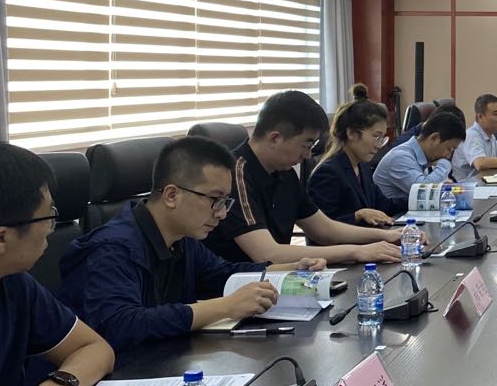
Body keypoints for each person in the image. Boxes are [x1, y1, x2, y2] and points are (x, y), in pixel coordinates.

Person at [59, 138, 326, 353]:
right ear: (171, 195)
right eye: (214, 200)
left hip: (163, 360)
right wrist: (226, 306)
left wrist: (288, 268)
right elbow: (121, 325)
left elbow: (221, 275)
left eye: (226, 202)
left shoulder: (181, 238)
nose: (222, 213)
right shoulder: (112, 248)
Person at [0, 140, 143, 386]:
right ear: (0, 239)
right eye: (48, 217)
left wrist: (60, 383)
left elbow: (95, 348)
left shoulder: (11, 284)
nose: (51, 229)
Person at [207, 91, 402, 266]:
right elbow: (267, 254)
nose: (308, 155)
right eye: (306, 145)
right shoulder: (234, 175)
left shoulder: (285, 172)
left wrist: (387, 236)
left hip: (275, 278)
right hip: (239, 284)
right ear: (275, 138)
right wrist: (357, 252)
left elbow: (324, 229)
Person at [308, 85, 402, 225]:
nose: (379, 145)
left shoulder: (363, 167)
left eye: (382, 139)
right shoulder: (328, 173)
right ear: (351, 133)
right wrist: (357, 216)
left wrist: (421, 200)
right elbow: (320, 228)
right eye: (376, 137)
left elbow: (384, 205)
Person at [373, 109, 466, 209]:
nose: (448, 156)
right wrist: (445, 164)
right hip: (392, 216)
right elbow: (423, 190)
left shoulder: (424, 157)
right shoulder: (400, 157)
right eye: (449, 149)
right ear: (434, 138)